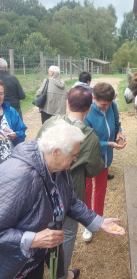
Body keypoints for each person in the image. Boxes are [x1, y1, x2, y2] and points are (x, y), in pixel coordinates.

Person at [0, 120, 125, 279]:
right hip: (11, 266)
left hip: (32, 260)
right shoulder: (19, 177)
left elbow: (70, 201)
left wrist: (98, 221)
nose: (75, 160)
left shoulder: (59, 168)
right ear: (56, 152)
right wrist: (34, 239)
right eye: (74, 155)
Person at [36, 86, 104, 279]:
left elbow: (37, 149)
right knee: (66, 233)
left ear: (67, 103)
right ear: (90, 108)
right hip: (71, 194)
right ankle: (61, 274)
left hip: (43, 191)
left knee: (42, 228)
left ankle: (43, 266)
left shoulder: (50, 122)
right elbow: (94, 170)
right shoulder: (89, 136)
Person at [83, 82, 126, 242]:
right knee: (87, 189)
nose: (106, 107)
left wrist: (119, 132)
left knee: (100, 189)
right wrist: (108, 144)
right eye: (103, 105)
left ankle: (98, 220)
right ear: (93, 98)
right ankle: (88, 222)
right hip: (89, 157)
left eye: (109, 104)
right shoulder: (87, 112)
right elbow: (87, 140)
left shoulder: (112, 105)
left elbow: (116, 121)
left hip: (105, 156)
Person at [0, 80, 27, 148]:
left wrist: (15, 135)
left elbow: (22, 134)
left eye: (1, 94)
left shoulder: (11, 112)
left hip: (9, 155)